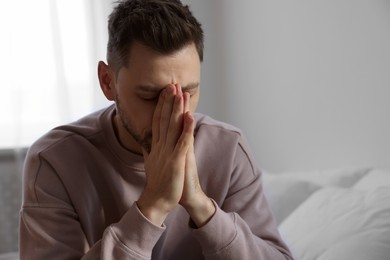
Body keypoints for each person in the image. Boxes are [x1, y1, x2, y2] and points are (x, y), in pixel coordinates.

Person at [19, 0, 293, 259]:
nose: (173, 112)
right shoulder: (54, 160)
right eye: (151, 97)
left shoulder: (229, 149)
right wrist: (153, 205)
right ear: (107, 82)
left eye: (188, 93)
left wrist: (200, 205)